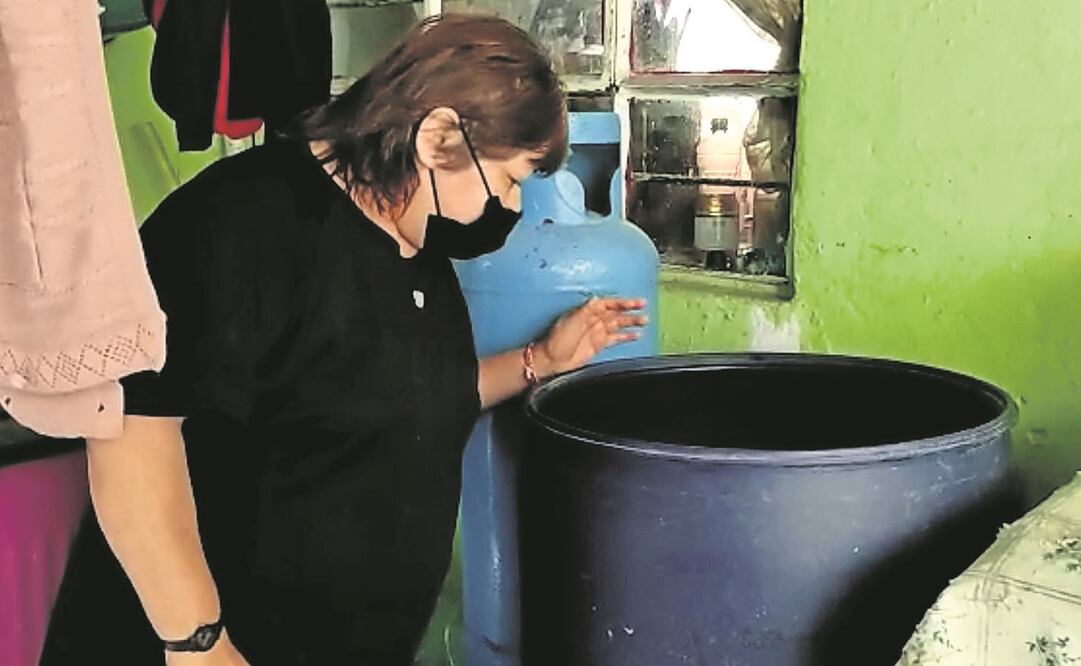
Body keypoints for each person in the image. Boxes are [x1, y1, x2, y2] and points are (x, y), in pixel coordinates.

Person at [39, 14, 647, 666]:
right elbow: (133, 437)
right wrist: (197, 642)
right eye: (507, 180)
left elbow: (404, 396)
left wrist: (539, 361)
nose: (511, 208)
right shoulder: (240, 225)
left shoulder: (415, 244)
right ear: (439, 137)